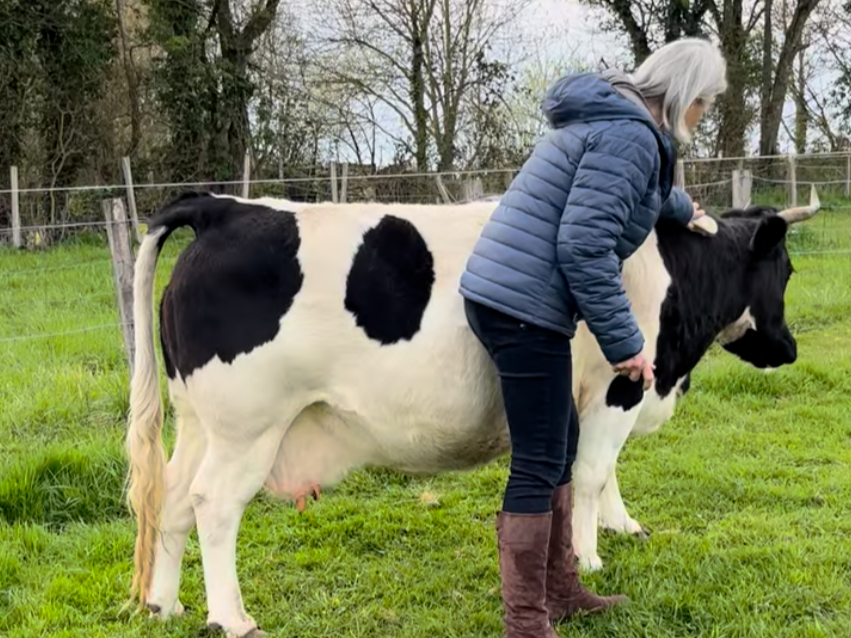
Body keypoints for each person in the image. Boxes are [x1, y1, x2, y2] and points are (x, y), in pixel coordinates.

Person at [458, 38, 728, 637]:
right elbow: (582, 246)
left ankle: (561, 588)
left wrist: (682, 208)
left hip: (513, 293)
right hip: (522, 305)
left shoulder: (622, 123)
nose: (703, 116)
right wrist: (626, 342)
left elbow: (635, 194)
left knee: (561, 442)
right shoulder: (631, 138)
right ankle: (526, 621)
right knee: (538, 461)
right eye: (704, 104)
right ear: (685, 96)